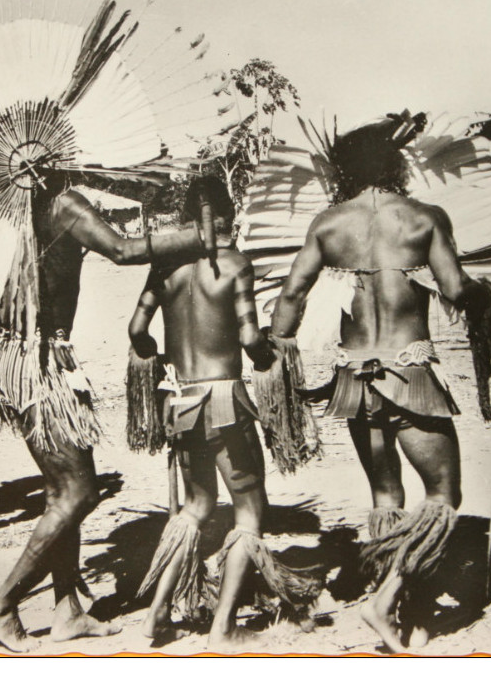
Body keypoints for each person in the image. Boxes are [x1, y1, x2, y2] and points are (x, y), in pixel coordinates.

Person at [268, 115, 491, 652]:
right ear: (394, 164)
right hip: (410, 375)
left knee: (386, 495)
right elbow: (456, 290)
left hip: (353, 378)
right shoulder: (423, 218)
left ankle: (407, 610)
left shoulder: (328, 224)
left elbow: (290, 298)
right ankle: (389, 601)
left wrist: (279, 351)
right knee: (444, 495)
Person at [0, 174, 211, 652]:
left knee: (62, 489)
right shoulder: (63, 203)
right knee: (78, 492)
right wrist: (197, 237)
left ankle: (68, 611)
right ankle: (1, 605)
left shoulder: (14, 208)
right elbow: (122, 250)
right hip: (38, 359)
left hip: (20, 353)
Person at [128, 177, 321, 650]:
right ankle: (223, 627)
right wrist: (268, 358)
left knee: (194, 507)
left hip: (179, 400)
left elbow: (136, 329)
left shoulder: (165, 267)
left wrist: (161, 354)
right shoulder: (235, 264)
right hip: (223, 402)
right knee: (249, 510)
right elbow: (251, 336)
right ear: (227, 215)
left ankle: (154, 620)